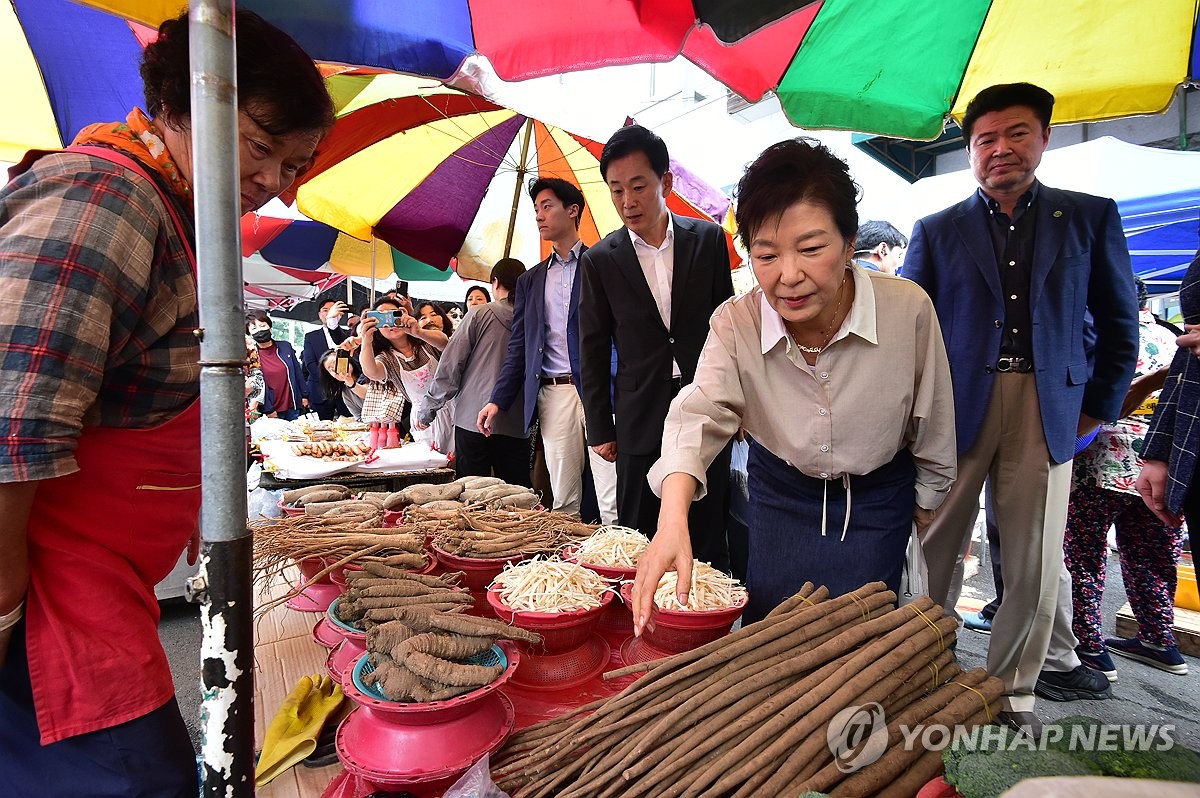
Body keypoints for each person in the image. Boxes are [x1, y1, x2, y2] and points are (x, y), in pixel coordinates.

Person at [0, 9, 333, 795]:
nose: (272, 181)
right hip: (53, 607)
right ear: (184, 102)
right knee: (138, 779)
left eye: (294, 164)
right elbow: (13, 415)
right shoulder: (105, 195)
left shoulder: (173, 211)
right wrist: (4, 599)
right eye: (260, 147)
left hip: (101, 589)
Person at [630, 138, 956, 629]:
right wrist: (672, 516)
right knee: (772, 641)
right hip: (780, 500)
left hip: (875, 502)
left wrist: (925, 505)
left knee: (861, 651)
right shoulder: (736, 323)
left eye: (810, 249)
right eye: (766, 255)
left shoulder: (906, 310)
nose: (788, 276)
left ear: (850, 243)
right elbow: (698, 413)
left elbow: (933, 420)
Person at [905, 82, 1138, 737]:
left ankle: (1011, 694)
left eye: (1017, 134)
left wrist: (1096, 406)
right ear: (971, 150)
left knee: (1034, 562)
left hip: (1047, 405)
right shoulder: (938, 229)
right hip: (955, 407)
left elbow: (1119, 321)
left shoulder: (1088, 218)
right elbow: (910, 334)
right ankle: (921, 674)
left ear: (1044, 138)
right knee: (935, 548)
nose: (1001, 149)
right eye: (985, 140)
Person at [579, 125, 735, 566]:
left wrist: (739, 403)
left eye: (638, 186)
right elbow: (590, 347)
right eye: (616, 190)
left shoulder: (706, 241)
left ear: (665, 182)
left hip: (705, 402)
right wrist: (600, 427)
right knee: (638, 534)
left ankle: (706, 624)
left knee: (706, 527)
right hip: (638, 412)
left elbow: (727, 329)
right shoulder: (600, 260)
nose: (628, 201)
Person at [1065, 280, 1186, 678]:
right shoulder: (1175, 341)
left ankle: (1089, 645)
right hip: (1164, 467)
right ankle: (1159, 639)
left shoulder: (1107, 338)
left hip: (1103, 462)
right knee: (1151, 553)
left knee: (1084, 555)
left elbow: (1101, 401)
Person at [479, 177, 619, 521]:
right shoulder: (530, 280)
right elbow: (520, 347)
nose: (540, 216)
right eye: (536, 209)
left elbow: (620, 334)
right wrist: (497, 399)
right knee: (563, 495)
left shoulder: (603, 264)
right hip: (553, 392)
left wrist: (616, 382)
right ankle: (569, 569)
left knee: (612, 491)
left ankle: (620, 565)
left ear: (572, 211)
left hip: (601, 390)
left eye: (547, 206)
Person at [422, 259, 530, 485]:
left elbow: (451, 365)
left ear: (495, 282)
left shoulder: (479, 314)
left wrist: (428, 409)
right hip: (517, 419)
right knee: (516, 497)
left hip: (472, 418)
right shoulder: (532, 317)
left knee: (472, 494)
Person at [1138, 250, 1200, 573]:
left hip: (1104, 459)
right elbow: (1186, 359)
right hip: (1187, 444)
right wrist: (1160, 451)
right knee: (1152, 570)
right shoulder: (1167, 334)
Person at [359, 296, 452, 453]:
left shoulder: (425, 341)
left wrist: (418, 332)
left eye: (393, 314)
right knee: (433, 463)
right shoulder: (387, 358)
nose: (389, 322)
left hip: (451, 409)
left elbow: (444, 342)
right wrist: (366, 340)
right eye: (382, 318)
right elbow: (372, 372)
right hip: (423, 419)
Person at [246, 310, 308, 421]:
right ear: (250, 334)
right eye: (254, 329)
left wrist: (304, 395)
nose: (260, 330)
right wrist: (268, 409)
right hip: (270, 410)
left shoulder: (285, 347)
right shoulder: (252, 356)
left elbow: (297, 372)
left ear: (270, 327)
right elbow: (256, 385)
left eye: (262, 326)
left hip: (292, 405)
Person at [302, 298, 353, 419]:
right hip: (320, 389)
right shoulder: (311, 337)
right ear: (320, 314)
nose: (330, 313)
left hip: (345, 389)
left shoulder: (349, 335)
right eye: (325, 310)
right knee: (321, 429)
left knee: (349, 426)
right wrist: (329, 381)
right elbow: (310, 364)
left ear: (340, 315)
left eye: (333, 310)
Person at [318, 349, 369, 421]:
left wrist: (349, 381)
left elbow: (367, 394)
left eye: (335, 362)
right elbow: (358, 417)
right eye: (330, 369)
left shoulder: (368, 372)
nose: (335, 368)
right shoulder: (345, 392)